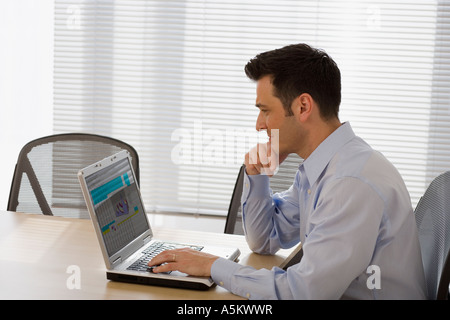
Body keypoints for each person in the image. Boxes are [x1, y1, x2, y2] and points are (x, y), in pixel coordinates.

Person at [148, 43, 427, 299]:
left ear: (303, 106)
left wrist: (212, 267)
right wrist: (256, 177)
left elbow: (302, 293)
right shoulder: (322, 167)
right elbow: (265, 239)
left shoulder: (348, 184)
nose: (259, 125)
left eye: (265, 111)